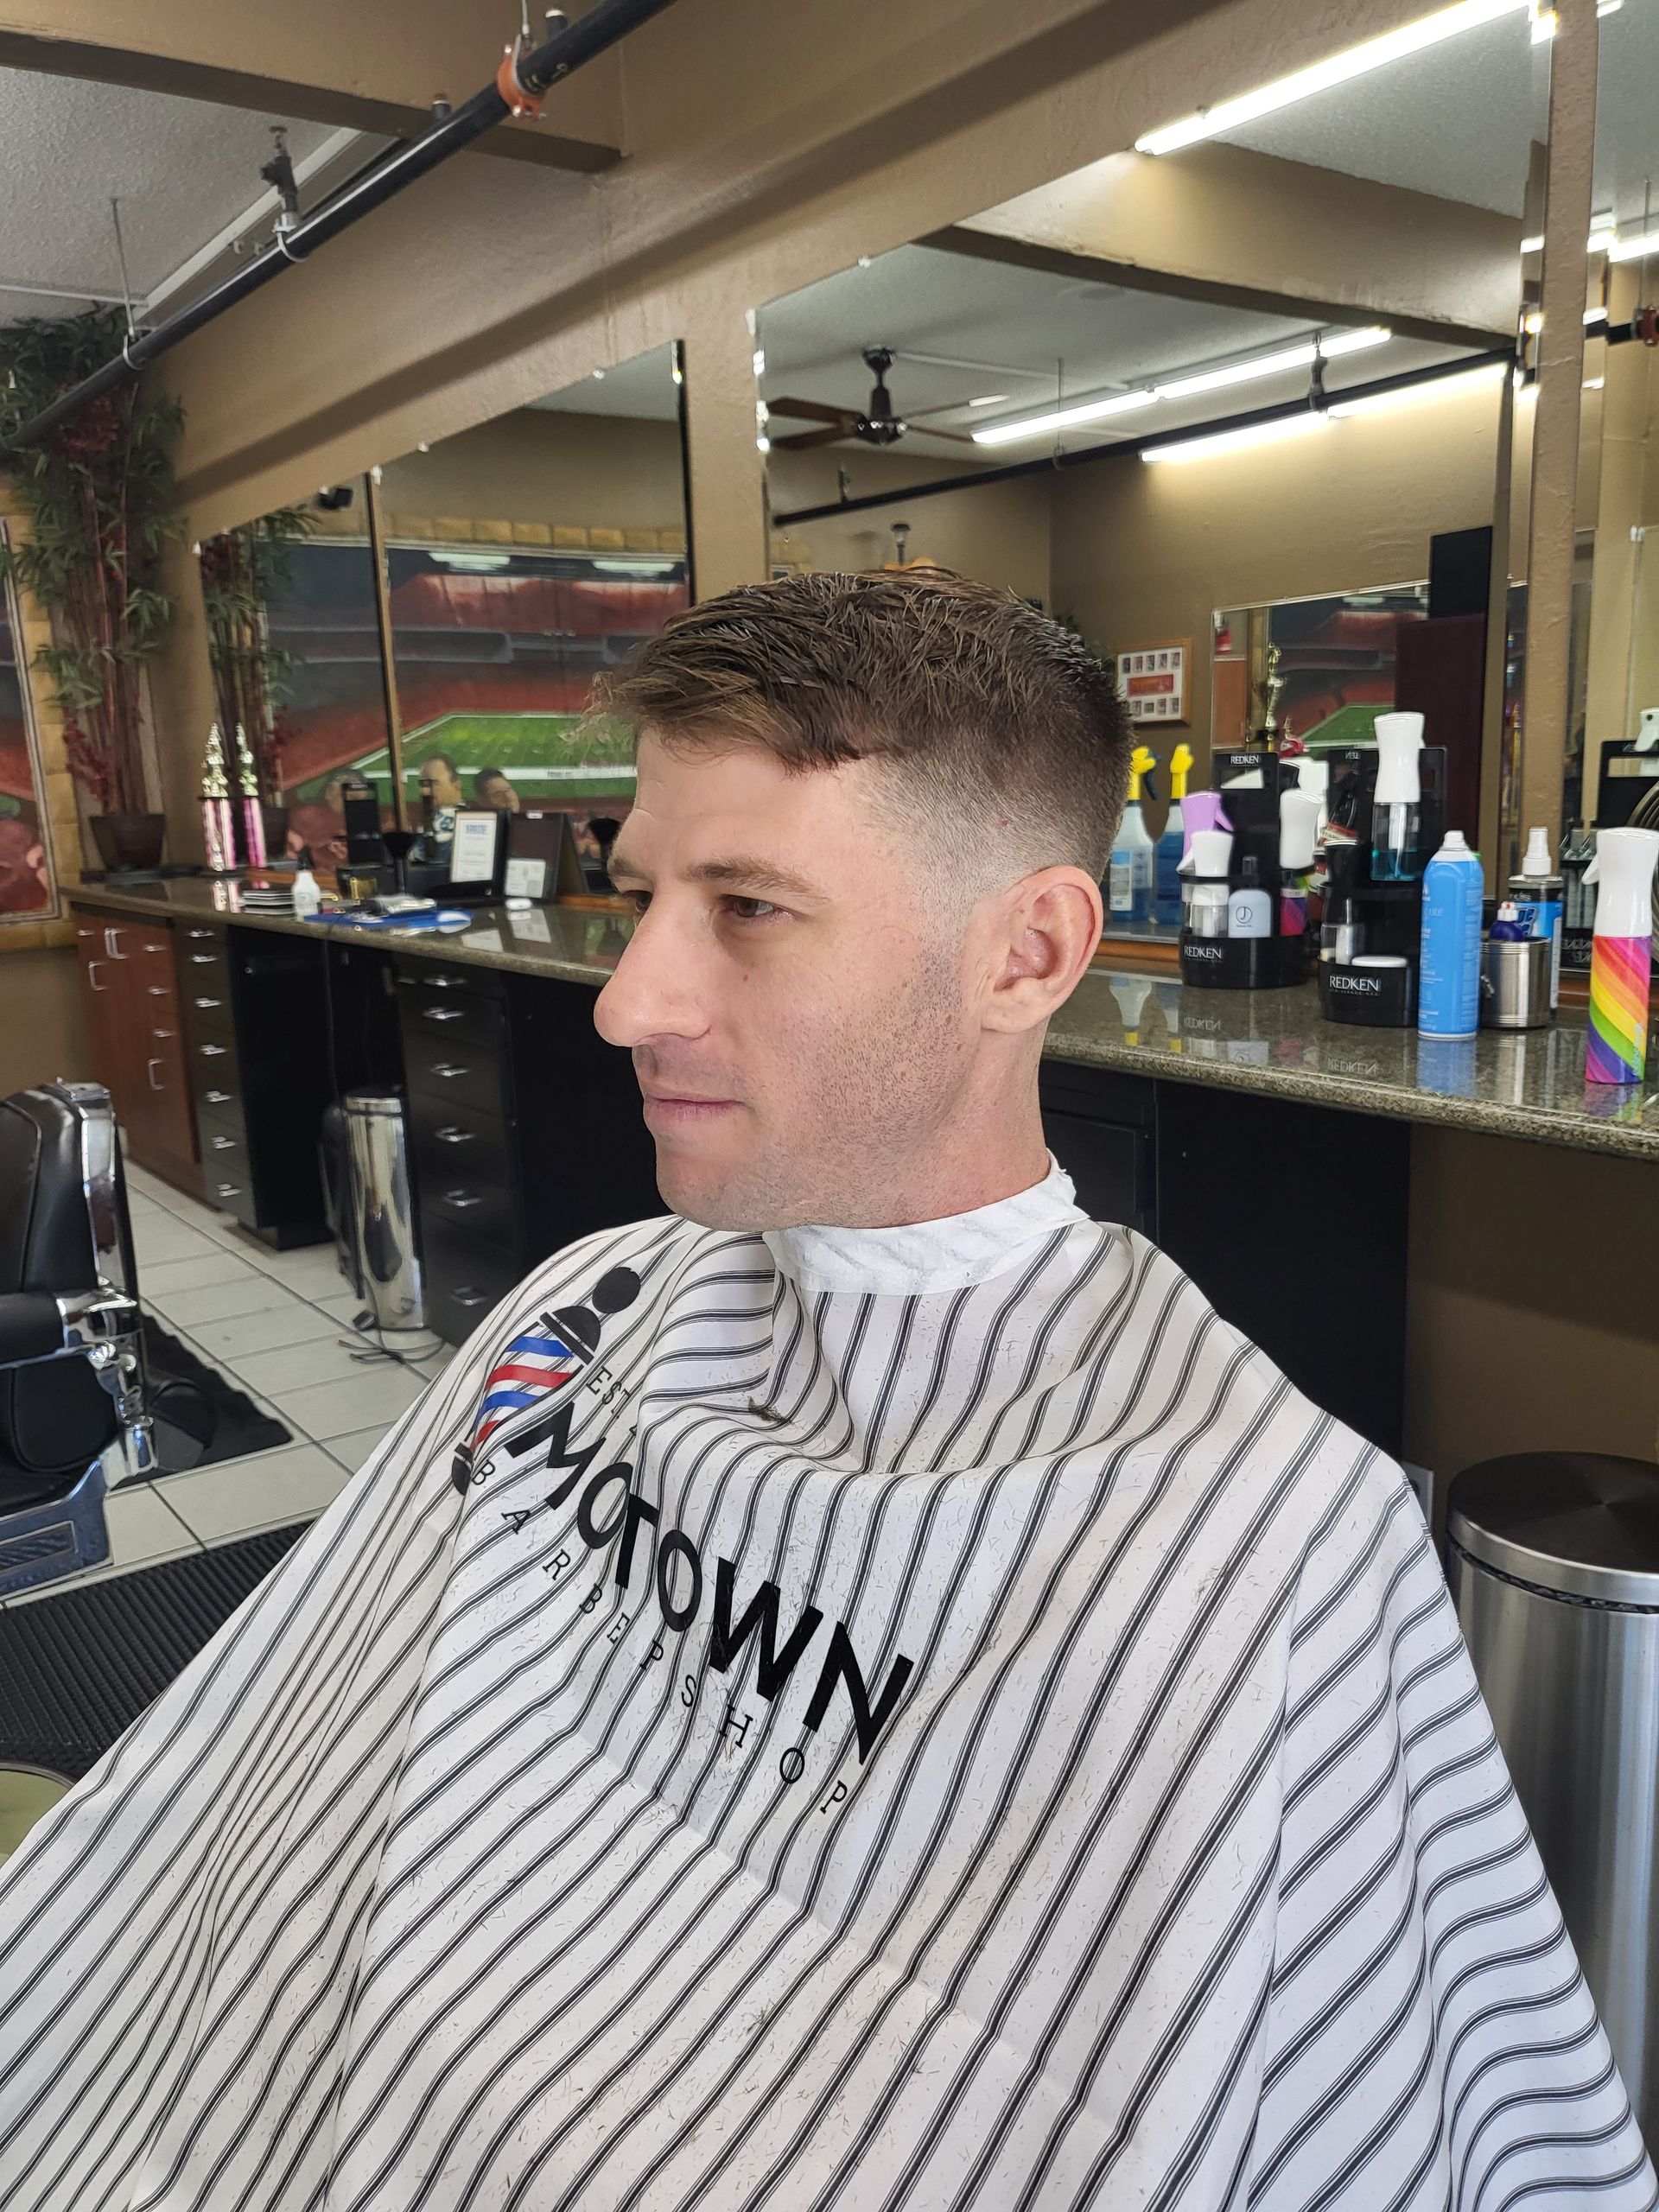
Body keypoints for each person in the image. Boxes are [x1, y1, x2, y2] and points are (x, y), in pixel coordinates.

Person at [0, 575, 1648, 2212]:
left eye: (749, 907)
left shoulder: (1266, 1541)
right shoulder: (594, 1301)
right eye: (641, 896)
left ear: (1028, 952)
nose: (626, 1001)